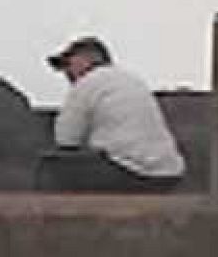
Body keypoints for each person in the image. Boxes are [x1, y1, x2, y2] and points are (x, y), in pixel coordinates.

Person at [36, 36, 186, 193]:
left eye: (68, 64)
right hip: (169, 174)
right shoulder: (131, 79)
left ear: (84, 60)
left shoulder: (87, 83)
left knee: (52, 166)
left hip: (130, 172)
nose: (66, 72)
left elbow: (65, 139)